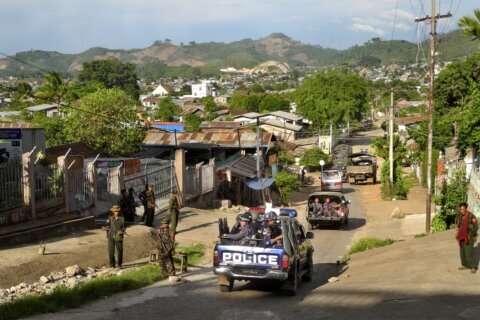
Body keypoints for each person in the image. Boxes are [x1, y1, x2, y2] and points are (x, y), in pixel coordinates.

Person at [456, 203, 478, 273]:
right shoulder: (460, 216)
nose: (462, 210)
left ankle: (473, 266)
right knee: (462, 252)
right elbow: (459, 226)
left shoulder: (471, 216)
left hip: (469, 237)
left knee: (469, 253)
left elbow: (476, 227)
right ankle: (465, 265)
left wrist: (470, 235)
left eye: (463, 209)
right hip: (462, 237)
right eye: (461, 209)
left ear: (466, 209)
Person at [103, 205, 126, 270]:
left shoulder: (122, 219)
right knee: (110, 251)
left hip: (118, 237)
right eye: (115, 211)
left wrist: (122, 231)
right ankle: (112, 265)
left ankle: (119, 264)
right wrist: (105, 228)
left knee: (119, 251)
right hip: (111, 236)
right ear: (113, 212)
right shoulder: (110, 218)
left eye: (117, 211)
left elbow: (124, 228)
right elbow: (106, 226)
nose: (116, 212)